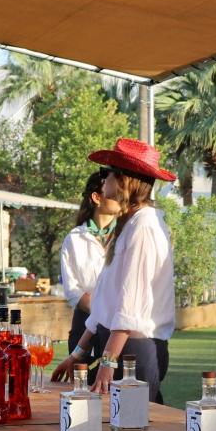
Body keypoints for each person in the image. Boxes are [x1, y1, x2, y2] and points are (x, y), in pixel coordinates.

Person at [51, 139, 175, 403]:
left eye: (106, 173)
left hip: (134, 351)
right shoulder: (129, 223)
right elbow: (105, 300)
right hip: (119, 345)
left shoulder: (145, 226)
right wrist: (78, 353)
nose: (102, 179)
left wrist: (108, 361)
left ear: (123, 180)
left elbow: (130, 303)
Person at [60, 170, 122, 372]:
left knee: (116, 385)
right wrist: (98, 307)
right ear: (96, 197)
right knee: (81, 389)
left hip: (118, 324)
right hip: (83, 321)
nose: (119, 195)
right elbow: (72, 290)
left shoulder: (126, 234)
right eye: (113, 190)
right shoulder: (74, 238)